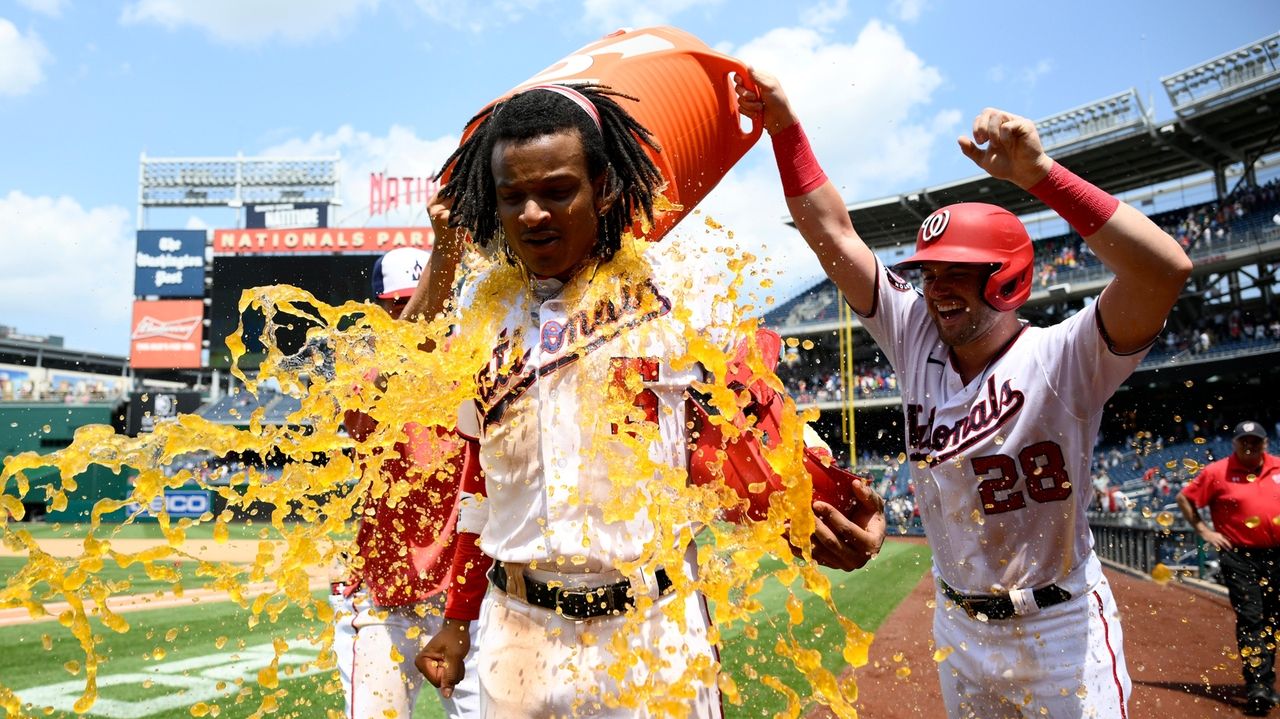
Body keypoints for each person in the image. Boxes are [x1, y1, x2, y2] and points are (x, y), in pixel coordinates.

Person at [408, 82, 886, 717]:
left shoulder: (676, 285)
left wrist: (831, 497)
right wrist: (458, 620)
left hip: (654, 625)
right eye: (512, 196)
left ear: (604, 187)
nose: (531, 214)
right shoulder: (482, 309)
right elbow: (480, 489)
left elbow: (757, 409)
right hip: (515, 630)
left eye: (556, 190)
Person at [739, 69, 1192, 718]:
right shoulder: (913, 332)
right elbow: (833, 233)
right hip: (958, 624)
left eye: (961, 272)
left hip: (1061, 629)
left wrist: (1041, 177)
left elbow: (1165, 269)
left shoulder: (1065, 357)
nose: (938, 287)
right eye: (930, 272)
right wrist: (785, 129)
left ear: (1006, 280)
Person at [330, 246, 480, 718]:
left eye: (416, 298)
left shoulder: (472, 361)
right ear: (378, 307)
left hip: (466, 598)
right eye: (398, 302)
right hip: (385, 597)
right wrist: (446, 247)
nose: (408, 310)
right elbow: (406, 349)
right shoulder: (365, 371)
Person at [1177, 421, 1280, 716]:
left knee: (1273, 618)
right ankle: (1258, 685)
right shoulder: (1216, 472)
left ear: (1265, 443)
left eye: (1256, 441)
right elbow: (1184, 498)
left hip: (1277, 556)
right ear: (1234, 443)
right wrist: (1205, 531)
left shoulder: (1277, 466)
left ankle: (1265, 677)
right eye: (1244, 441)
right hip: (1239, 555)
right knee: (1251, 617)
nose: (1250, 446)